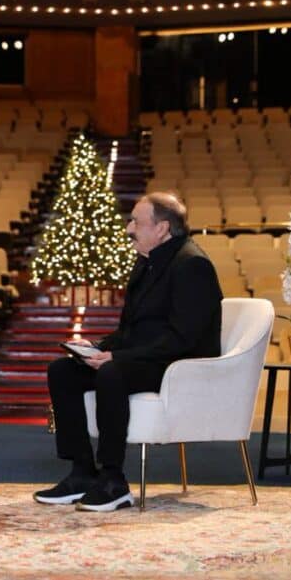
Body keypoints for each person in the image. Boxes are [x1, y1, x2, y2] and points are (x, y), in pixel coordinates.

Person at [34, 192, 222, 512]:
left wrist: (117, 358)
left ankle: (113, 480)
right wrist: (97, 348)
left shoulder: (193, 265)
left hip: (177, 365)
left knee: (112, 372)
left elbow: (184, 339)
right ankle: (82, 472)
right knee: (63, 370)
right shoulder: (146, 261)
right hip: (144, 357)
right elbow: (131, 330)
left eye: (136, 221)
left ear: (162, 229)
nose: (129, 228)